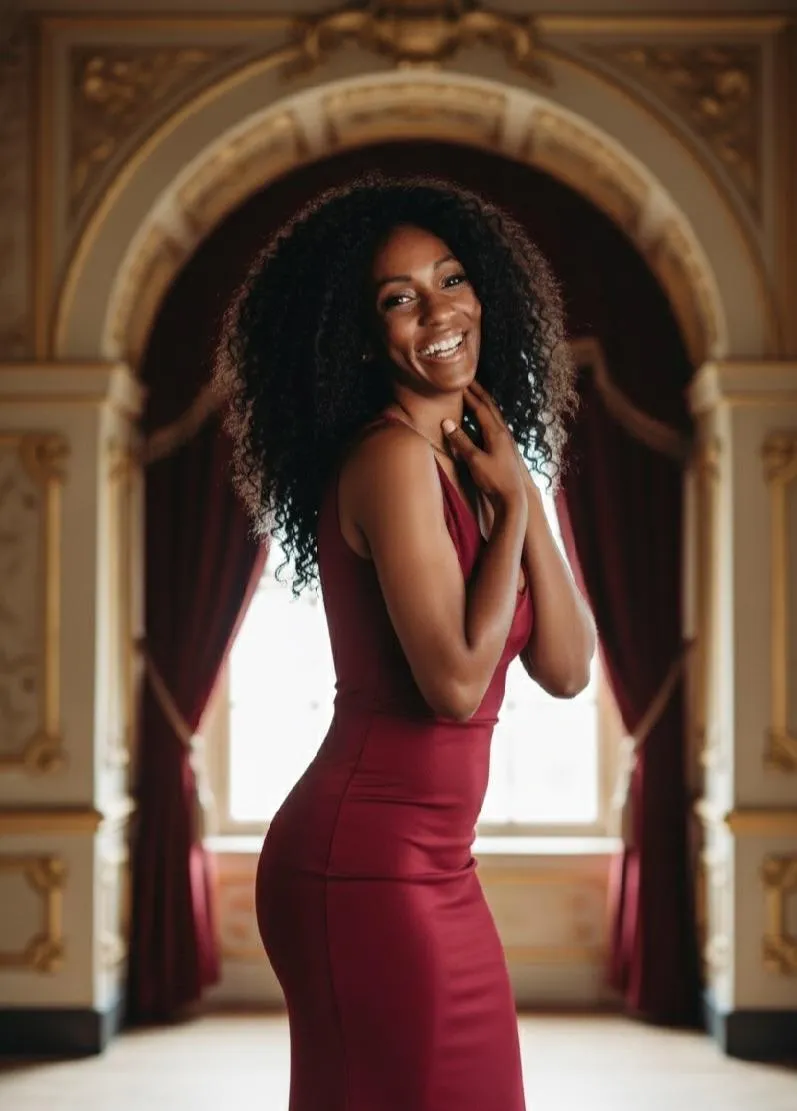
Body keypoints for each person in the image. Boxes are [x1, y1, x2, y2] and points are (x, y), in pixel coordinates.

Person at [214, 174, 596, 1111]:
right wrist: (508, 508)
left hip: (435, 864)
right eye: (398, 297)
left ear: (486, 295)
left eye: (451, 279)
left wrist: (521, 491)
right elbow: (455, 687)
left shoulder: (471, 470)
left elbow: (567, 666)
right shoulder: (389, 459)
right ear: (359, 333)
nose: (438, 310)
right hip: (363, 864)